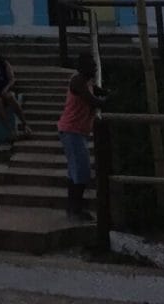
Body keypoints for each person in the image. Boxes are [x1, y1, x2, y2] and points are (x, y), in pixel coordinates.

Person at [57, 52, 107, 222]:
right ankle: (76, 209)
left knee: (75, 171)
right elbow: (92, 100)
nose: (94, 68)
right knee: (82, 170)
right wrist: (107, 101)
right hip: (72, 131)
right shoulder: (78, 81)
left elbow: (97, 91)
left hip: (78, 131)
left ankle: (73, 207)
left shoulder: (87, 81)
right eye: (92, 65)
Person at [0, 41, 32, 137]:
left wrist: (6, 88)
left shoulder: (4, 63)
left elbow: (12, 79)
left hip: (5, 89)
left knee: (10, 96)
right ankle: (10, 130)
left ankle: (25, 124)